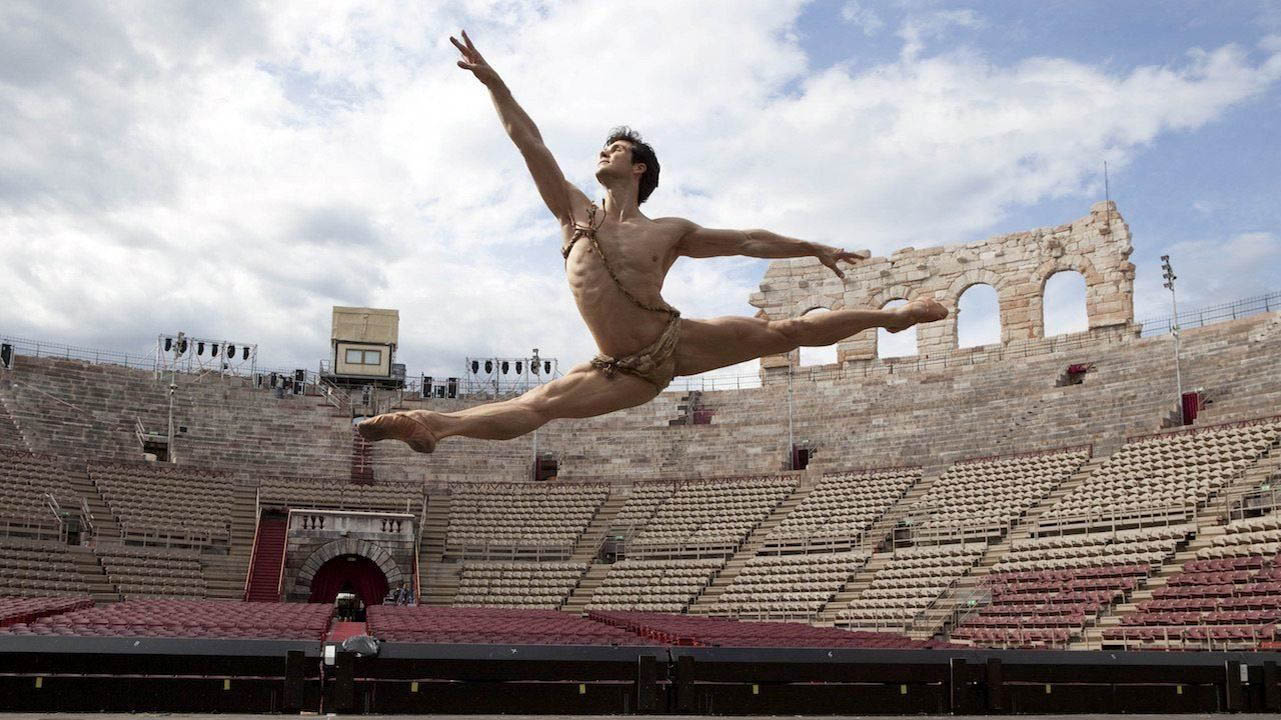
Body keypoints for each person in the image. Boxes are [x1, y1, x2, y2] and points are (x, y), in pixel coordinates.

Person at [358, 31, 948, 454]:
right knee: (537, 407)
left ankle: (893, 317)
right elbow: (529, 143)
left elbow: (746, 240)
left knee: (784, 333)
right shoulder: (573, 213)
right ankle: (432, 423)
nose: (603, 153)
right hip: (622, 371)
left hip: (676, 340)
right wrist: (495, 83)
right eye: (604, 147)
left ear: (639, 169)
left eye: (615, 149)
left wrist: (811, 246)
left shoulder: (669, 232)